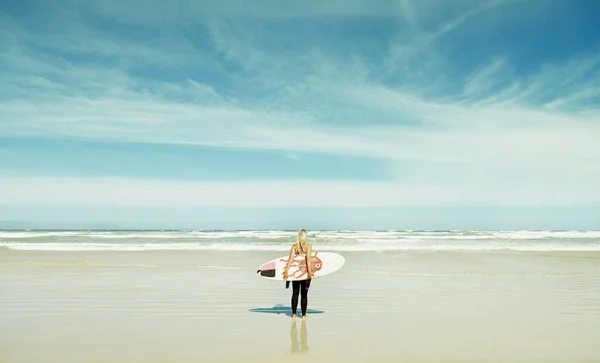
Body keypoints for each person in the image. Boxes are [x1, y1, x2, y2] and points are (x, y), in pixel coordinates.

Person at [282, 229, 313, 320]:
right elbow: (308, 260)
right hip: (304, 273)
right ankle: (303, 315)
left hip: (295, 274)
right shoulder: (308, 247)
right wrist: (310, 273)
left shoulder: (294, 247)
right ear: (305, 236)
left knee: (295, 293)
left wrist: (287, 271)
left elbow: (290, 259)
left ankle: (294, 314)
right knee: (304, 294)